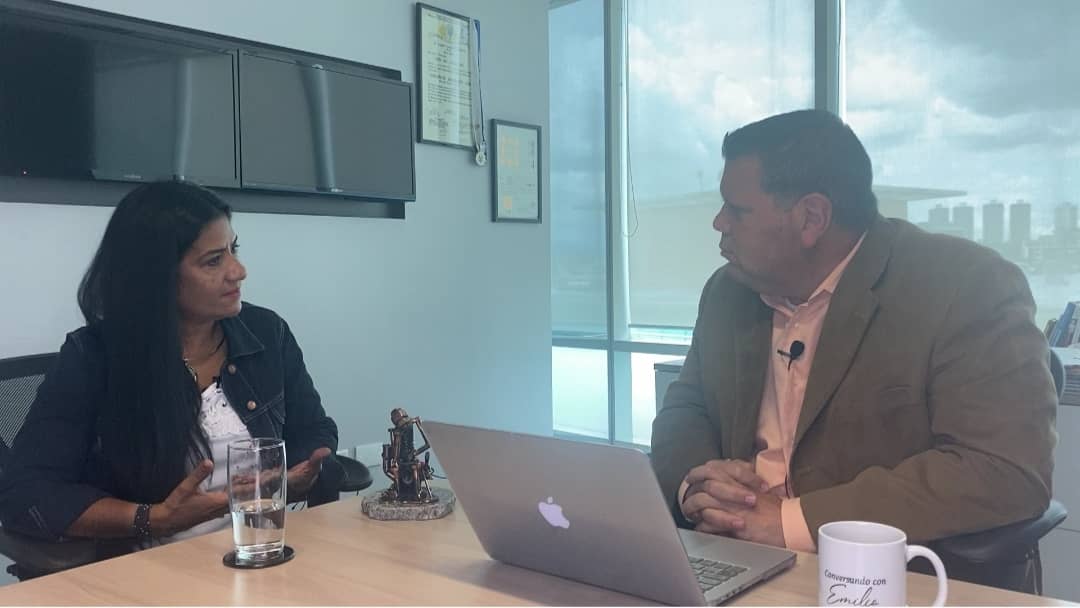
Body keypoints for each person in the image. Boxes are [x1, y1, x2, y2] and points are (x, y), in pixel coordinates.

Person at [650, 109, 1056, 592]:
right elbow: (687, 407)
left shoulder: (966, 286)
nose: (719, 223)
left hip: (897, 582)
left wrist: (790, 523)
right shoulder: (727, 292)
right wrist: (699, 487)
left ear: (812, 218)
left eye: (737, 210)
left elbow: (1004, 470)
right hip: (738, 563)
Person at [0, 180, 344, 548]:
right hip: (147, 564)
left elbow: (314, 430)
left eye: (233, 249)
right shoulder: (93, 358)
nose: (238, 270)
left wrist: (287, 477)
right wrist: (154, 519)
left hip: (259, 546)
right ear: (156, 276)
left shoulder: (266, 333)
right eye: (214, 260)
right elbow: (26, 493)